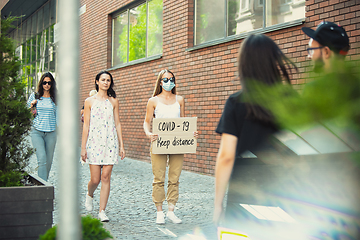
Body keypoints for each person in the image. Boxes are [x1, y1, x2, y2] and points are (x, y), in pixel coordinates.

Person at [213, 34, 297, 225]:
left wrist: (218, 204)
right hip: (285, 196)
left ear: (245, 64)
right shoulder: (292, 100)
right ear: (274, 61)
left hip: (244, 198)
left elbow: (226, 156)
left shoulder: (235, 103)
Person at [143, 69, 199, 224]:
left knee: (175, 177)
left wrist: (190, 133)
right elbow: (147, 121)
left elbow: (183, 122)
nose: (169, 82)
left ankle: (171, 211)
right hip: (159, 142)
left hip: (176, 144)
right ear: (160, 82)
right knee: (158, 178)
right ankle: (159, 211)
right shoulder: (153, 101)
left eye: (171, 79)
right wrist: (149, 133)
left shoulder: (180, 99)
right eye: (165, 79)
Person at [81, 70, 125, 222]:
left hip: (110, 143)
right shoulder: (89, 102)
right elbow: (86, 125)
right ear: (97, 82)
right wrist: (83, 147)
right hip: (94, 143)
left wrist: (121, 145)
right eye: (103, 80)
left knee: (106, 177)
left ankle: (102, 211)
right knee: (95, 179)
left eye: (108, 80)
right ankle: (90, 194)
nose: (106, 82)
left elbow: (117, 123)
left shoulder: (113, 101)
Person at [27, 72, 58, 182]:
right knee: (42, 159)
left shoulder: (55, 98)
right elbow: (27, 114)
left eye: (49, 83)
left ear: (52, 84)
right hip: (37, 132)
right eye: (44, 82)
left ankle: (43, 182)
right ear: (41, 83)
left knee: (48, 161)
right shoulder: (35, 96)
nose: (47, 85)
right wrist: (31, 106)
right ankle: (42, 187)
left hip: (51, 133)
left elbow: (59, 116)